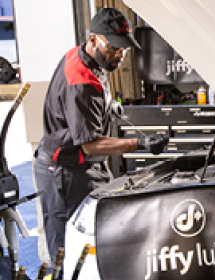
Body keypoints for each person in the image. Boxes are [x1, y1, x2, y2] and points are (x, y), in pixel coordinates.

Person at [33, 7, 168, 272]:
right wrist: (139, 144)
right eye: (114, 48)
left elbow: (87, 102)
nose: (119, 54)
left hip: (86, 166)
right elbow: (90, 143)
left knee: (99, 238)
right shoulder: (81, 82)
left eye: (123, 49)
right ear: (93, 38)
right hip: (64, 173)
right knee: (68, 253)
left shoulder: (88, 56)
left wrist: (109, 106)